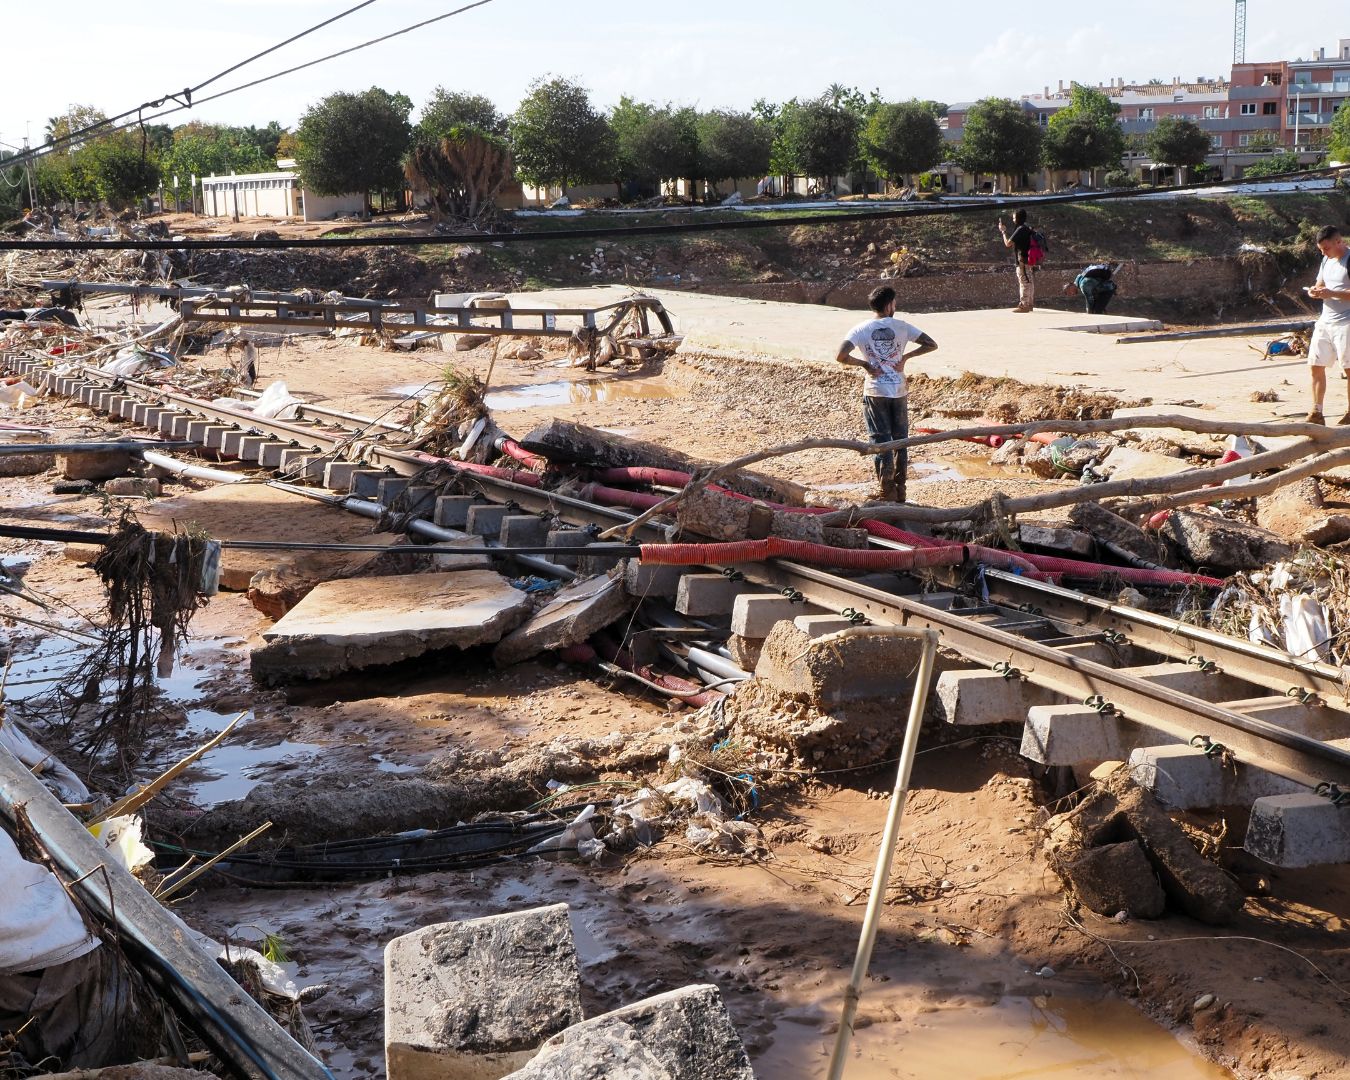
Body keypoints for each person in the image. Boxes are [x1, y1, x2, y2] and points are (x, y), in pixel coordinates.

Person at [834, 285, 938, 501]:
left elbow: (841, 355)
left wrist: (864, 364)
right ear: (890, 305)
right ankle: (900, 491)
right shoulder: (902, 327)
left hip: (875, 391)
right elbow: (931, 344)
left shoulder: (860, 329)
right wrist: (906, 357)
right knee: (901, 440)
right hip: (898, 391)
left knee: (881, 441)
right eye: (895, 303)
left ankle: (886, 491)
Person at [1305, 225, 1350, 424]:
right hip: (1326, 320)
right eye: (1321, 249)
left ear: (1338, 242)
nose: (1323, 252)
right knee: (1315, 365)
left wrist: (1332, 293)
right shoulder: (1326, 260)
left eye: (1326, 248)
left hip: (1346, 321)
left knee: (1348, 369)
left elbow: (1333, 291)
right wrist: (1314, 291)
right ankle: (1317, 412)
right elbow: (1321, 284)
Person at [998, 208, 1035, 312]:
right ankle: (1030, 304)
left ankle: (1024, 305)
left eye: (1014, 217)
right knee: (1029, 281)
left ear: (1018, 218)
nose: (1013, 219)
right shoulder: (1027, 228)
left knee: (1024, 281)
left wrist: (1003, 232)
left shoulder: (1020, 229)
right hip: (1029, 259)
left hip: (1022, 260)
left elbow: (1008, 243)